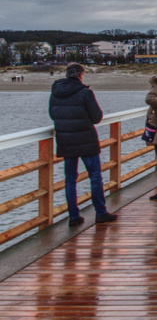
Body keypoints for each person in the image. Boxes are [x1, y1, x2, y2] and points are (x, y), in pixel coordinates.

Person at [48, 63, 117, 225]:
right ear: (81, 75)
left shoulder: (56, 92)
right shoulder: (85, 92)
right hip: (86, 140)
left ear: (67, 74)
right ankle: (100, 212)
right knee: (95, 176)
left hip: (65, 140)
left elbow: (52, 114)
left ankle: (73, 216)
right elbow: (96, 117)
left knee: (70, 179)